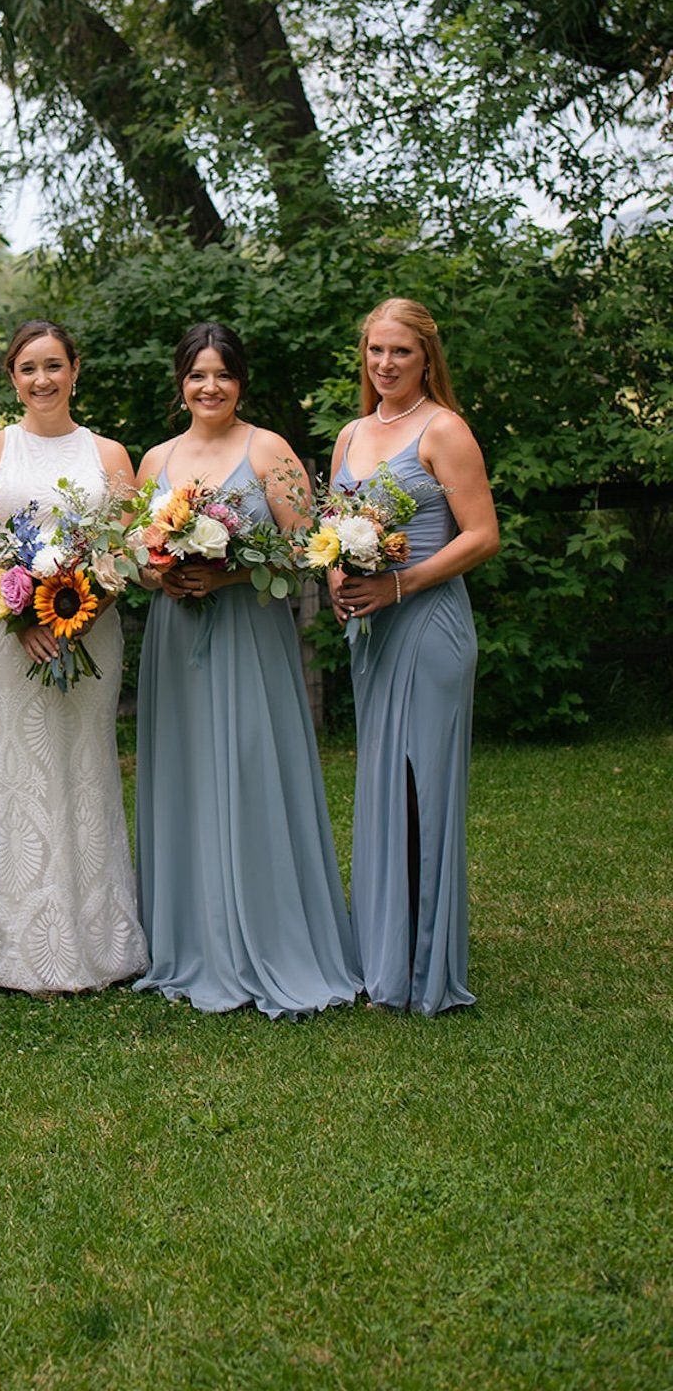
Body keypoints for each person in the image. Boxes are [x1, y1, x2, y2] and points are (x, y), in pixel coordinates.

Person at [132, 322, 359, 1017]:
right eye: (197, 375)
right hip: (178, 637)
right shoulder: (155, 459)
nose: (209, 387)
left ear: (240, 382)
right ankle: (192, 938)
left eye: (222, 375)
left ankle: (269, 934)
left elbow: (310, 550)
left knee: (253, 770)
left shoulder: (270, 450)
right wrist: (163, 574)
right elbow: (138, 560)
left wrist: (228, 575)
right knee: (187, 774)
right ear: (181, 383)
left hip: (249, 634)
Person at [0, 320, 148, 994]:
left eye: (54, 366)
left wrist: (80, 604)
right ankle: (8, 946)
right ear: (13, 378)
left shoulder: (110, 453)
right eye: (28, 368)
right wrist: (18, 615)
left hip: (87, 630)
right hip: (6, 633)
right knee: (13, 767)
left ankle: (99, 940)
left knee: (84, 764)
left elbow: (127, 544)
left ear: (75, 370)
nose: (42, 379)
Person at [328, 297, 499, 1015]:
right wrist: (335, 573)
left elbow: (482, 536)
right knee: (382, 788)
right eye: (375, 351)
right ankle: (381, 952)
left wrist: (400, 583)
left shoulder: (444, 429)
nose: (386, 364)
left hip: (428, 627)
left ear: (428, 356)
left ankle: (425, 966)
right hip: (373, 632)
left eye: (401, 352)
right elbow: (333, 526)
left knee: (422, 788)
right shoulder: (350, 434)